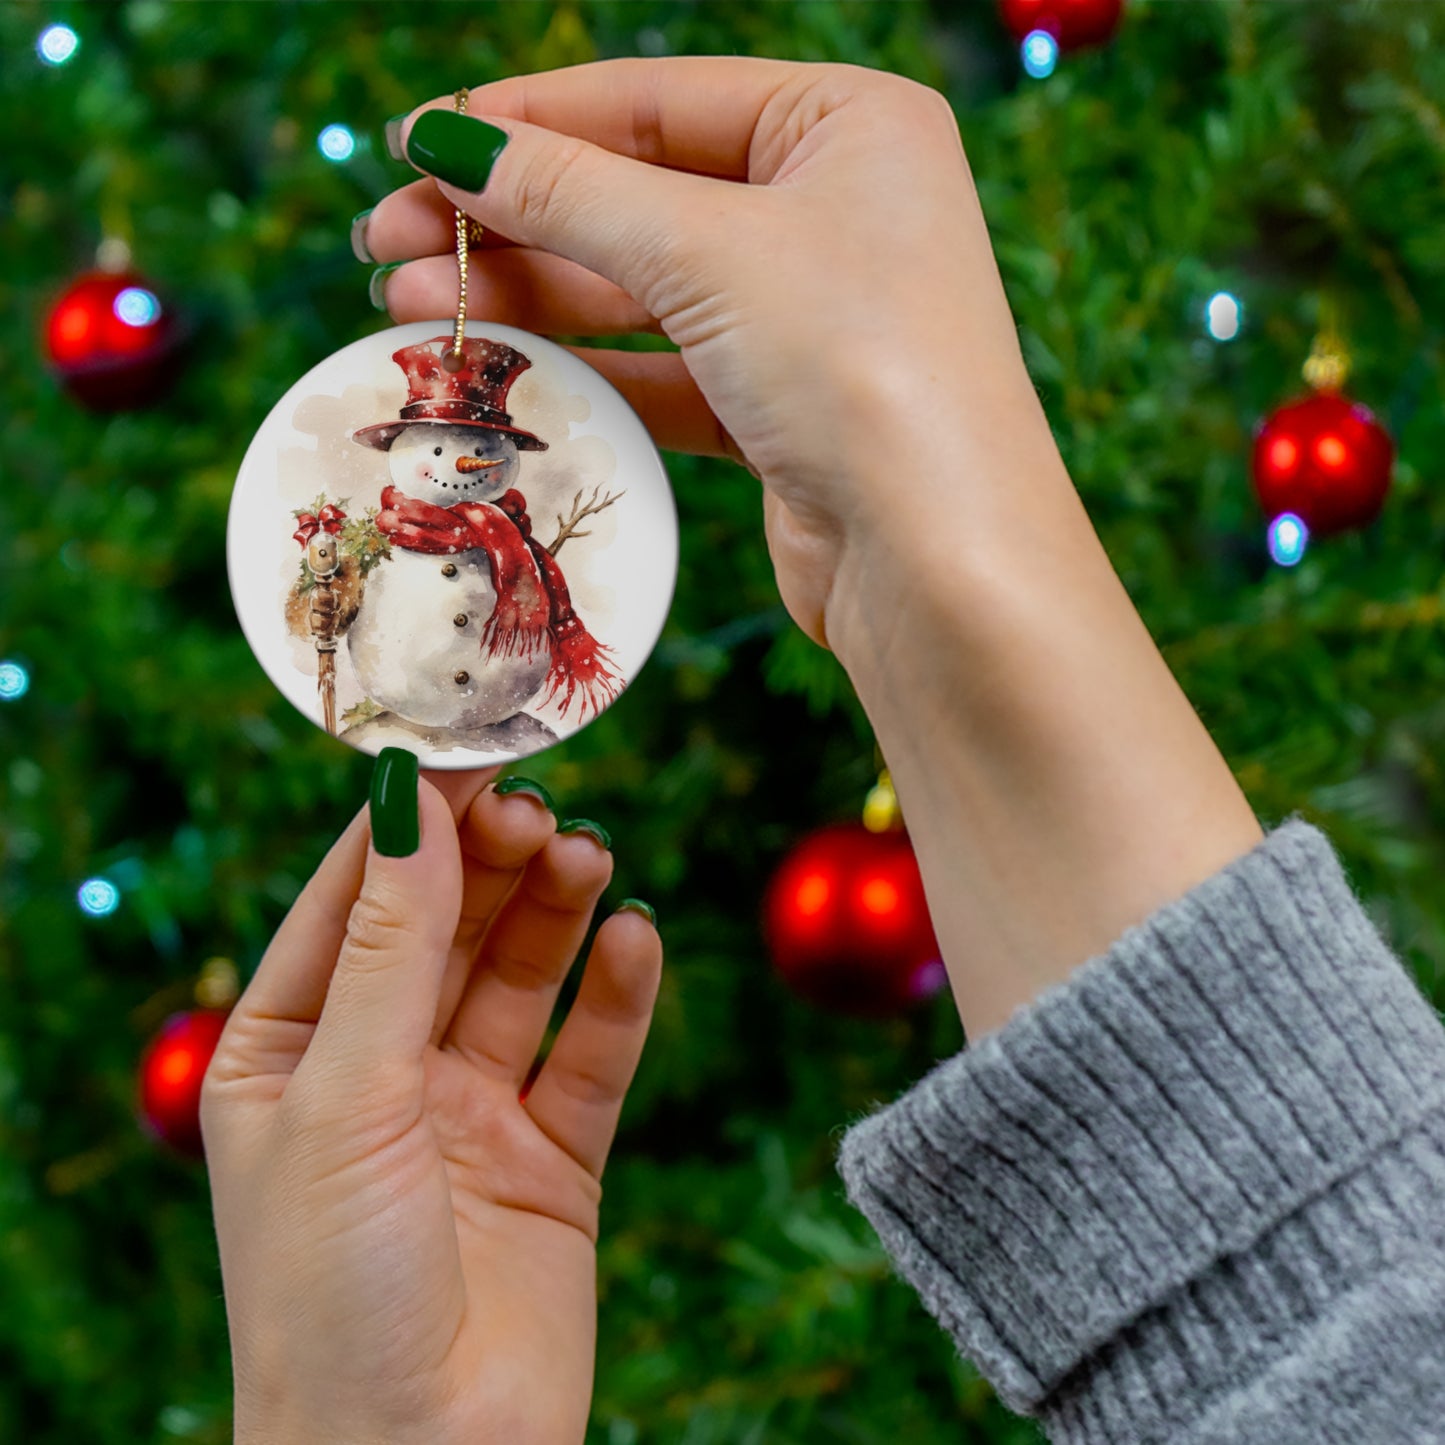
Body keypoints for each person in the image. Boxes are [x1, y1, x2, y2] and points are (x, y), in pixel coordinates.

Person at [201, 57, 1445, 1444]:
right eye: (428, 447)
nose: (448, 470)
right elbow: (1337, 1332)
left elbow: (1338, 1335)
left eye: (465, 451)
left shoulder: (524, 550)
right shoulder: (363, 541)